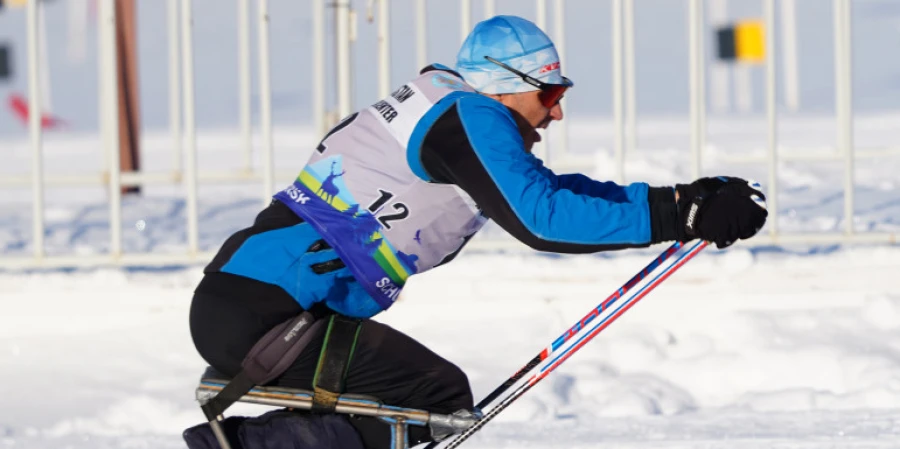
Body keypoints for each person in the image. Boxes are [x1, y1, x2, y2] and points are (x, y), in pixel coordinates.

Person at [188, 15, 768, 449]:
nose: (556, 113)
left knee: (426, 398)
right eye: (551, 94)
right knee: (432, 400)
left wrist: (681, 202)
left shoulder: (448, 110)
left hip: (253, 305)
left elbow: (547, 194)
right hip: (269, 315)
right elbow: (543, 220)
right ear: (505, 84)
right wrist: (680, 217)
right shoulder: (471, 117)